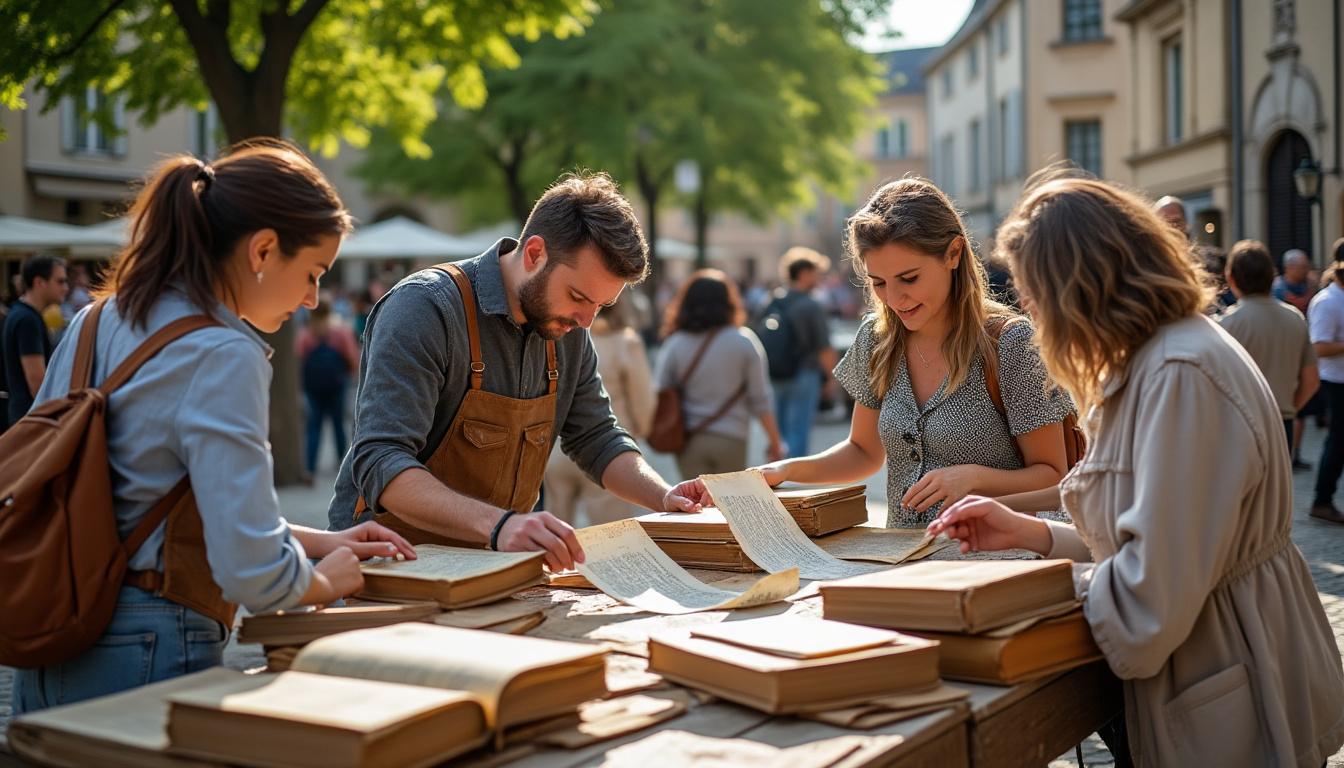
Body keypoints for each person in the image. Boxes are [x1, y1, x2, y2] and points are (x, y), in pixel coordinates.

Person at [930, 175, 1344, 766]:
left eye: (1033, 292)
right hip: (1222, 660)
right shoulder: (1164, 356)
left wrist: (1029, 594)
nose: (1030, 311)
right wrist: (1032, 533)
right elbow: (1151, 535)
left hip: (1228, 676)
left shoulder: (1180, 374)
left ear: (1078, 287)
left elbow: (1150, 601)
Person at [13, 142, 414, 715]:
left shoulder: (95, 318)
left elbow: (149, 500)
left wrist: (320, 540)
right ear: (264, 249)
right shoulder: (224, 352)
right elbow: (251, 572)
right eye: (312, 273)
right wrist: (325, 579)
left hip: (54, 629)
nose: (311, 299)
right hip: (151, 639)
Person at [326, 173, 707, 571]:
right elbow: (380, 458)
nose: (587, 321)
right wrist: (500, 526)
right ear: (534, 253)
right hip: (392, 565)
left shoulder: (568, 328)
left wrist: (665, 497)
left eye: (601, 305)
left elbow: (596, 437)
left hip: (494, 565)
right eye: (578, 296)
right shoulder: (424, 309)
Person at [756, 178, 1074, 528]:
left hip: (998, 561)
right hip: (904, 561)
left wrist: (974, 478)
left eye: (908, 278)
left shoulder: (1010, 344)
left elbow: (1053, 475)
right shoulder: (876, 338)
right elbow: (862, 452)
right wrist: (785, 469)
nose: (893, 299)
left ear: (953, 254)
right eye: (878, 283)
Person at [655, 269, 785, 478]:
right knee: (730, 505)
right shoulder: (744, 341)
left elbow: (661, 390)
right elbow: (761, 398)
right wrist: (775, 442)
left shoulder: (675, 344)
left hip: (689, 440)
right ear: (729, 301)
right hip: (732, 438)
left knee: (696, 507)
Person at [544, 293, 656, 526]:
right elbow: (643, 399)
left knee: (554, 537)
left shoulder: (561, 338)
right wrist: (640, 431)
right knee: (612, 537)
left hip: (556, 448)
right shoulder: (626, 342)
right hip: (608, 451)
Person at [1217, 240, 1318, 457]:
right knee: (1278, 489)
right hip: (1283, 422)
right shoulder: (1295, 318)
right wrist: (1290, 408)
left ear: (1230, 277)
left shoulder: (1225, 325)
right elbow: (1311, 380)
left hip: (1239, 424)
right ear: (1271, 275)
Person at [757, 247, 838, 458]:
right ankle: (793, 477)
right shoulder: (810, 305)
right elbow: (824, 347)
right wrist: (831, 378)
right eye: (817, 272)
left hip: (775, 372)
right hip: (804, 373)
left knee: (779, 430)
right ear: (804, 273)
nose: (820, 278)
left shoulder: (772, 300)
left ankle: (776, 474)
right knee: (799, 430)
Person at [297, 297, 360, 476]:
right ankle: (341, 463)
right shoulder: (339, 331)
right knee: (338, 424)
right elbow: (352, 357)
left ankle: (310, 467)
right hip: (337, 384)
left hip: (313, 387)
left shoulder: (306, 333)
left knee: (313, 426)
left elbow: (299, 356)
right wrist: (349, 375)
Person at [3, 254, 68, 427]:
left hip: (24, 418)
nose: (66, 288)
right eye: (60, 281)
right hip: (30, 422)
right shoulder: (27, 320)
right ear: (39, 282)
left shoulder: (21, 313)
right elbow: (36, 382)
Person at [1309, 237, 1344, 523]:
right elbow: (1319, 347)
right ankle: (1322, 499)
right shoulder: (1327, 302)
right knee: (1337, 442)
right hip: (1336, 382)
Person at [1154, 195, 1233, 308]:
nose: (1171, 228)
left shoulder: (1213, 260)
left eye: (1176, 221)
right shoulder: (1148, 266)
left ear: (1187, 224)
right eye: (1165, 222)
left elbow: (1228, 303)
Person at [1273, 248, 1315, 313]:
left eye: (1307, 267)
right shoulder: (1277, 289)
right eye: (1302, 267)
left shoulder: (1310, 285)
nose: (1306, 271)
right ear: (1289, 268)